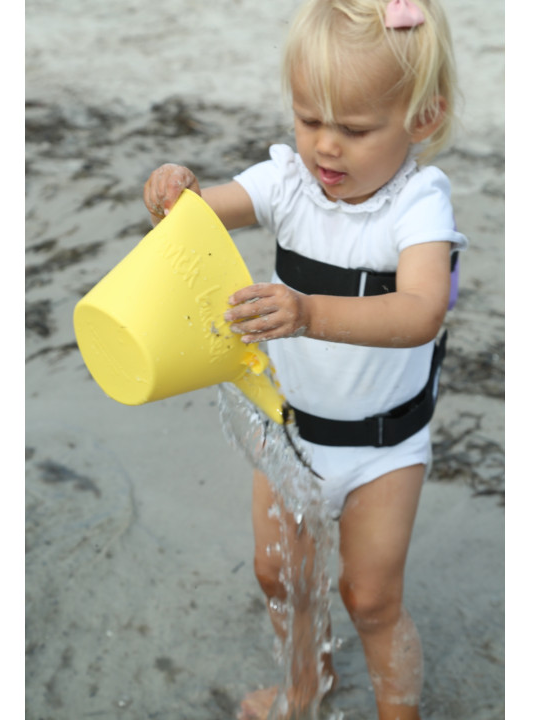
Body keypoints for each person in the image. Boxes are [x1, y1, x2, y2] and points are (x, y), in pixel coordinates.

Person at [143, 0, 468, 717]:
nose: (326, 146)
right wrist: (174, 192)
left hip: (384, 447)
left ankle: (398, 710)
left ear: (423, 120)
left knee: (372, 598)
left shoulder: (418, 203)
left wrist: (309, 312)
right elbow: (199, 212)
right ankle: (303, 689)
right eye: (308, 119)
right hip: (287, 432)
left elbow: (421, 310)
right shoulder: (289, 183)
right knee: (278, 577)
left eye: (353, 129)